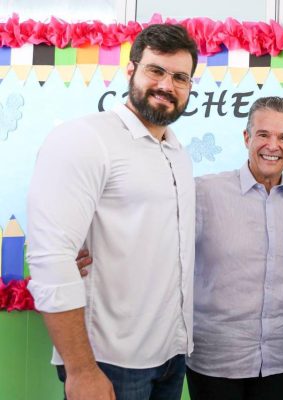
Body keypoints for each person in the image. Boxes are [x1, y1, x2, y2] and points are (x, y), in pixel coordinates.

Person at [27, 24, 198, 400]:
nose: (167, 85)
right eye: (156, 70)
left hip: (171, 355)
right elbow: (51, 256)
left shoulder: (178, 153)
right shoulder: (85, 139)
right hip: (107, 360)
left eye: (180, 77)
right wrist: (81, 369)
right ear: (131, 70)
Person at [185, 96, 283, 400]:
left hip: (279, 360)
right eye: (263, 134)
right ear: (247, 138)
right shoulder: (204, 192)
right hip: (215, 360)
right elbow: (165, 251)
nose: (272, 145)